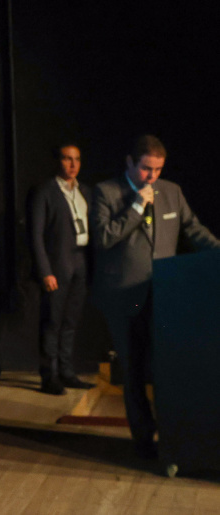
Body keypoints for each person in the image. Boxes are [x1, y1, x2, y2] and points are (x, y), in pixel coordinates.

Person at [91, 134, 220, 458]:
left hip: (166, 293)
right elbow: (103, 239)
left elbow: (193, 230)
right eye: (147, 169)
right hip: (124, 296)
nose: (152, 176)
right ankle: (143, 439)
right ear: (130, 163)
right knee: (133, 368)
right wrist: (136, 207)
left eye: (158, 169)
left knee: (168, 367)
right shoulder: (106, 193)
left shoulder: (171, 192)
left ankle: (174, 439)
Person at [26, 144, 95, 395]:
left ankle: (66, 372)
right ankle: (49, 376)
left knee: (70, 322)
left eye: (77, 159)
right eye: (67, 159)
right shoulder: (45, 191)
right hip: (57, 266)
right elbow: (35, 235)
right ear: (59, 161)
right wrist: (45, 271)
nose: (73, 164)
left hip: (80, 262)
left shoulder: (84, 190)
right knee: (52, 323)